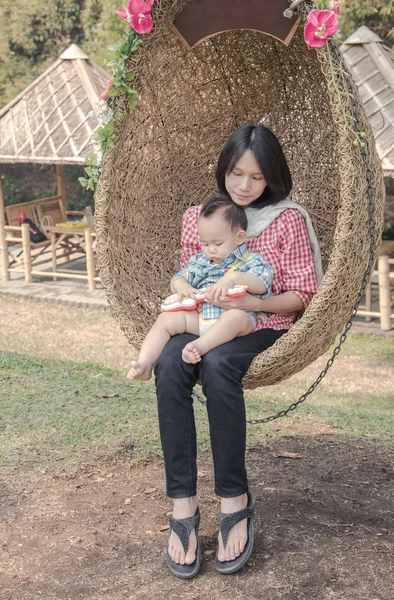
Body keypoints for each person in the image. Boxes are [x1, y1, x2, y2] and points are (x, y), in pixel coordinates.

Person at [154, 123, 321, 578]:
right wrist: (184, 293)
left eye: (256, 177)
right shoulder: (200, 216)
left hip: (258, 322)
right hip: (203, 317)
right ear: (223, 170)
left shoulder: (287, 219)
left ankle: (235, 499)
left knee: (219, 362)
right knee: (169, 364)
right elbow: (189, 272)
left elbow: (304, 294)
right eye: (235, 174)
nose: (244, 186)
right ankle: (183, 504)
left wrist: (254, 302)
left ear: (272, 178)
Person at [127, 194, 273, 380]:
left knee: (235, 317)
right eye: (204, 243)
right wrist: (182, 286)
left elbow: (262, 284)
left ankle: (198, 347)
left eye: (217, 243)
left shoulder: (251, 261)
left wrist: (233, 278)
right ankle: (145, 364)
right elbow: (177, 278)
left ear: (240, 237)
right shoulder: (201, 261)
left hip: (236, 322)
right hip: (203, 318)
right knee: (166, 319)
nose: (210, 250)